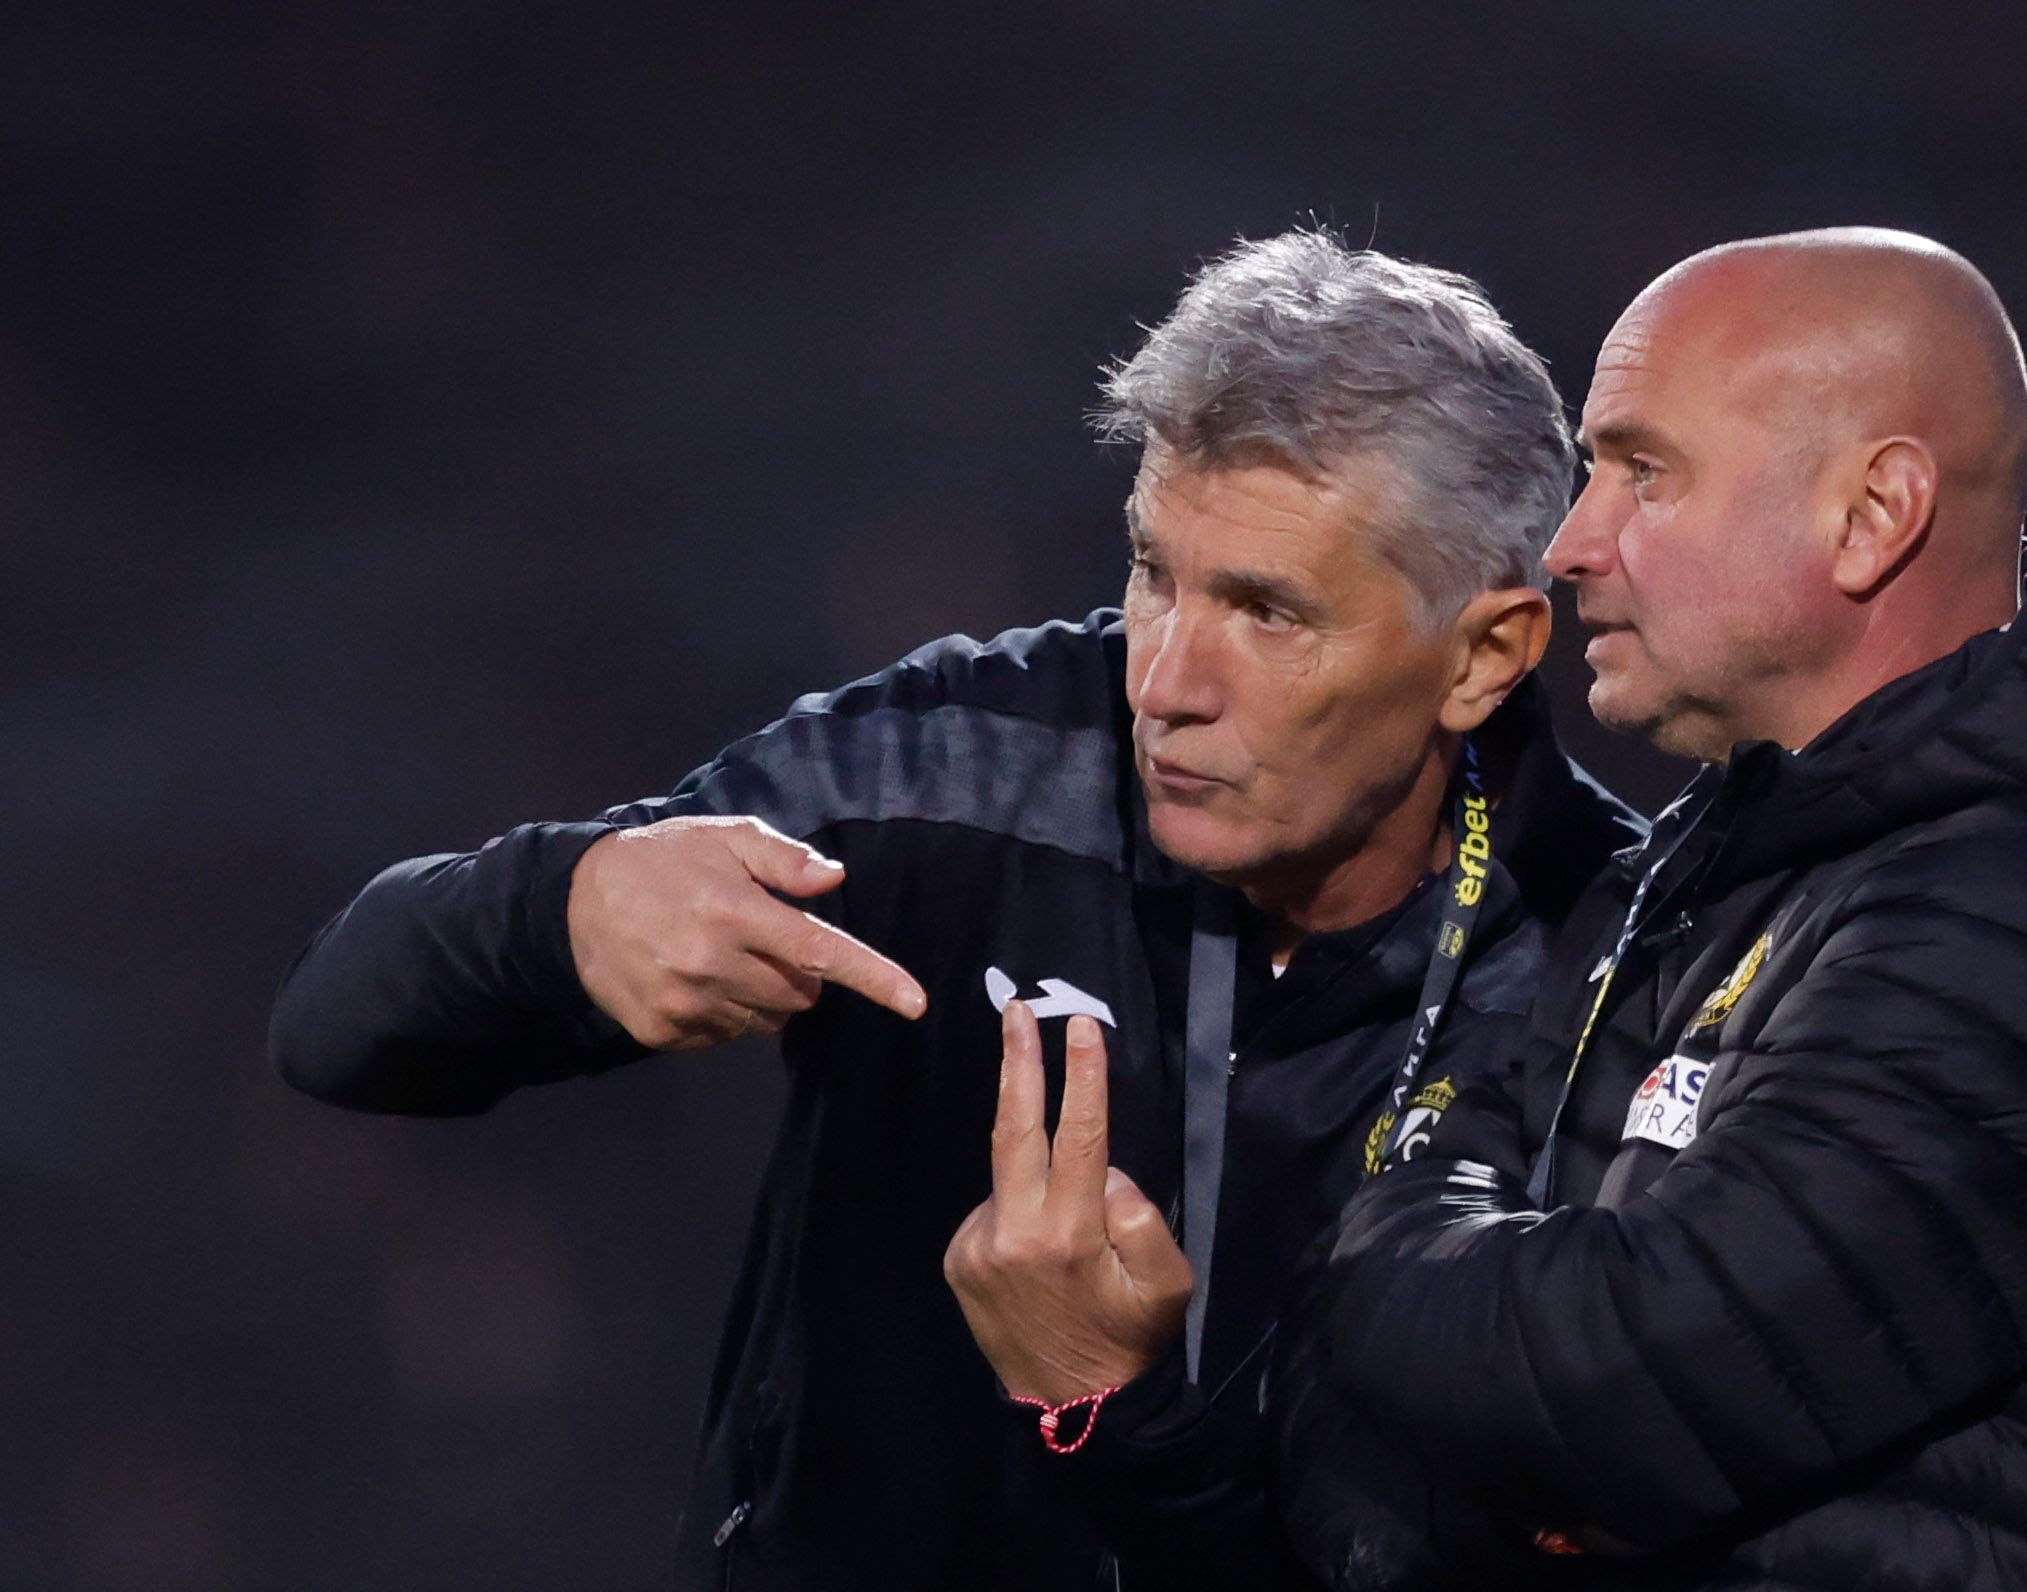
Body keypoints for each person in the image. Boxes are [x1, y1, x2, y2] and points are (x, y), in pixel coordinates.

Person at [267, 230, 1641, 1591]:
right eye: (1154, 572)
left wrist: (1101, 1400)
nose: (1167, 682)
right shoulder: (962, 765)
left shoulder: (1617, 964)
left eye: (1267, 613)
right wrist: (560, 910)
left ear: (1485, 654)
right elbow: (335, 1030)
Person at [979, 226, 2027, 1589]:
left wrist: (1371, 1278)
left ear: (1873, 515)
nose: (1573, 543)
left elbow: (1598, 1391)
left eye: (1644, 473)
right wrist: (1159, 1392)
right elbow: (1380, 1501)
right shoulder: (1719, 865)